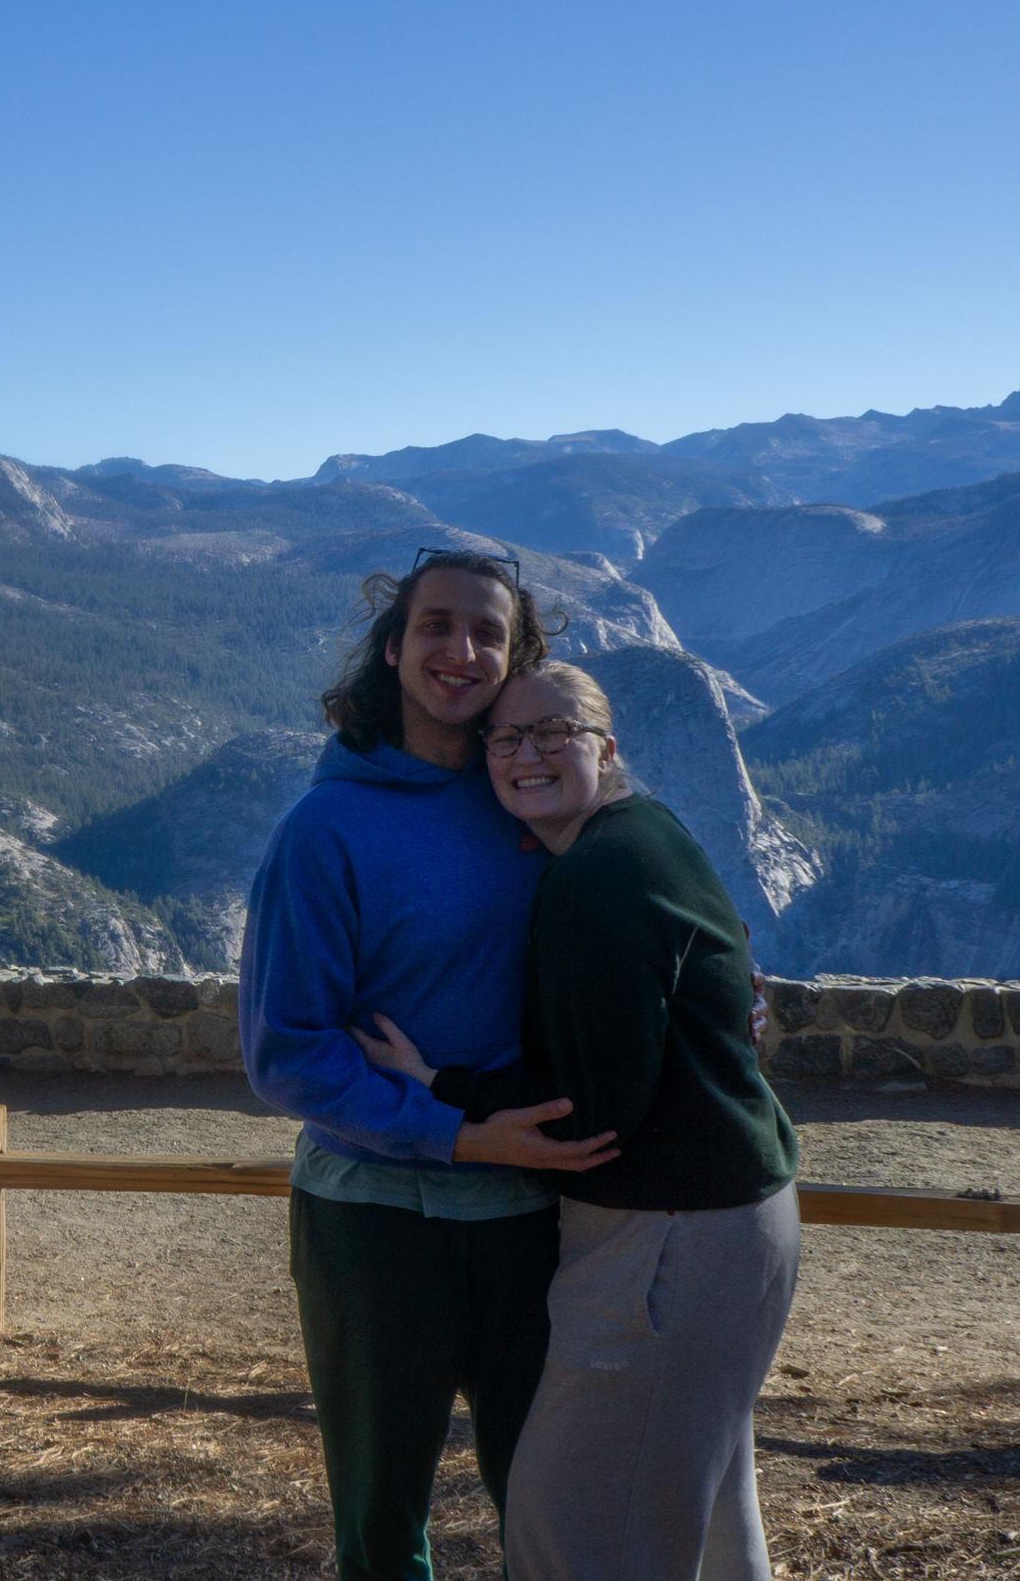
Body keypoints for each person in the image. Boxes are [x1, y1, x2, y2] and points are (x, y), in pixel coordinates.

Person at [356, 660, 800, 1581]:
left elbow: (589, 1118)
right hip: (739, 1220)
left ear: (607, 747)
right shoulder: (648, 834)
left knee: (573, 1529)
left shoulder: (594, 878)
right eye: (507, 737)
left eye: (554, 732)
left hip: (664, 1243)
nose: (526, 754)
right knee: (710, 1512)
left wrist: (443, 1087)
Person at [239, 552, 620, 1581]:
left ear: (518, 658)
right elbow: (285, 1052)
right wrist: (454, 1131)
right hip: (375, 1224)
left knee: (544, 1505)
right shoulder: (323, 831)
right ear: (393, 646)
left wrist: (725, 985)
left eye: (487, 633)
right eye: (435, 625)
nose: (460, 650)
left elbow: (631, 919)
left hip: (528, 1215)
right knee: (382, 1524)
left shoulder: (529, 797)